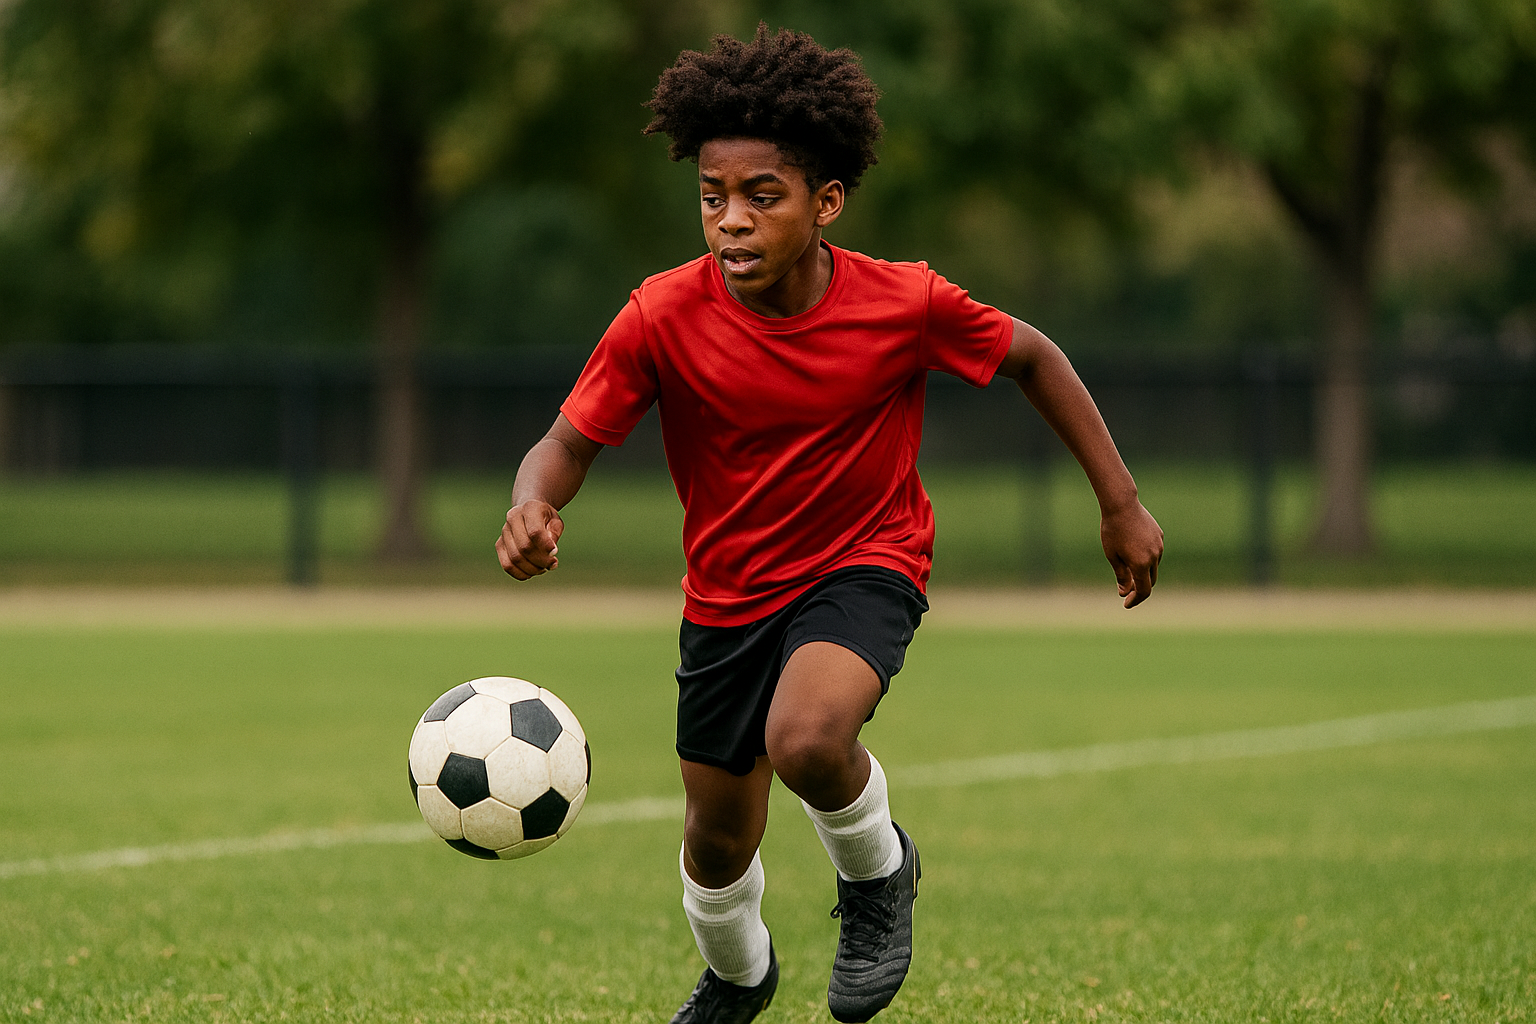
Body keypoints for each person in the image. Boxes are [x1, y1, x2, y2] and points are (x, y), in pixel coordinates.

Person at [497, 24, 1164, 1024]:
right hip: (727, 598)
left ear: (826, 203)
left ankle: (877, 876)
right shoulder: (659, 315)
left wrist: (1120, 501)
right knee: (716, 842)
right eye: (712, 197)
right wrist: (532, 503)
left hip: (867, 563)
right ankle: (738, 975)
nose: (731, 220)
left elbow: (1036, 357)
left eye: (762, 196)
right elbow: (565, 443)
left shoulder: (903, 302)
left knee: (808, 738)